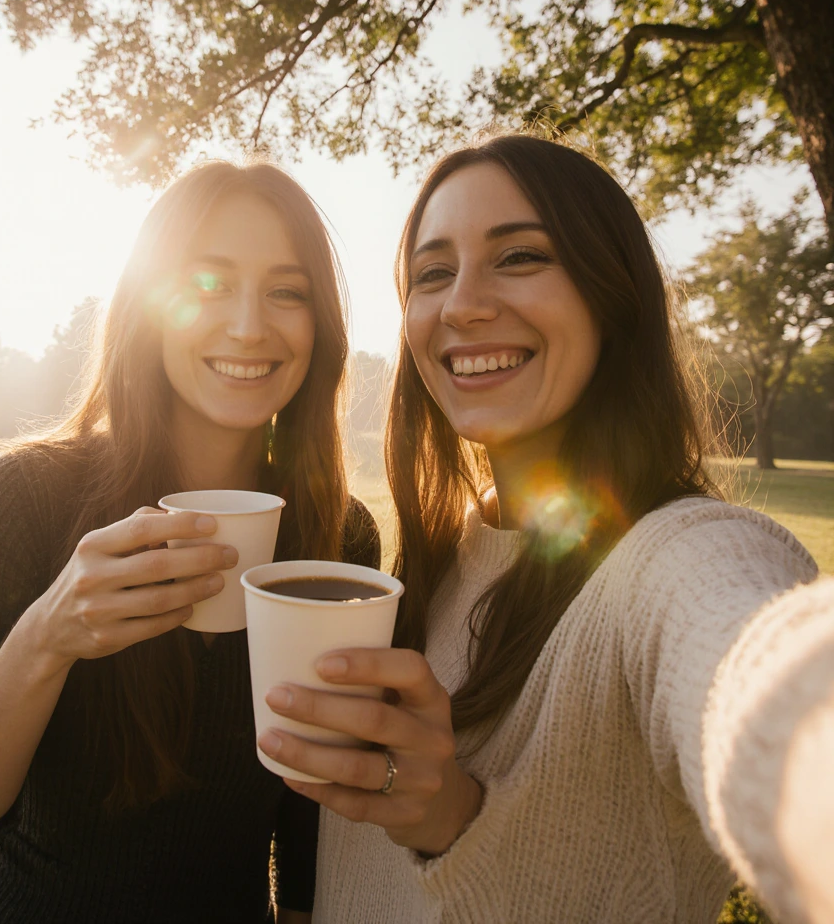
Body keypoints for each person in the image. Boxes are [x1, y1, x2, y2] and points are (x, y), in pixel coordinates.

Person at [258, 135, 834, 924]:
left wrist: (450, 817)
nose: (461, 304)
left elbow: (763, 672)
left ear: (612, 294)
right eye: (432, 274)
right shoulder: (431, 565)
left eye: (520, 256)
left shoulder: (676, 557)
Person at [0, 160, 380, 924]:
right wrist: (48, 638)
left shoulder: (339, 536)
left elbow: (309, 816)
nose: (249, 325)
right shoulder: (28, 497)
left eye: (287, 290)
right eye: (208, 284)